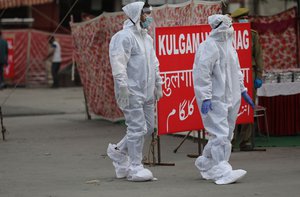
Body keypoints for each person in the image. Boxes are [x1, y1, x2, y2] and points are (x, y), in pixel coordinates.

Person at [193, 14, 255, 185]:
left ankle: (205, 161)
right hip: (215, 98)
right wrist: (205, 97)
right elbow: (201, 74)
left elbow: (237, 70)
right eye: (228, 24)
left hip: (232, 97)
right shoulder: (208, 46)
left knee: (226, 133)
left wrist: (242, 90)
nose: (231, 27)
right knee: (220, 134)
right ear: (220, 26)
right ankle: (222, 168)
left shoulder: (229, 46)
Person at [107, 1, 163, 182]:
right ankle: (135, 166)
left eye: (150, 13)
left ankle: (118, 152)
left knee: (148, 128)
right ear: (136, 15)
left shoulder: (147, 39)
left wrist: (158, 84)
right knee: (137, 128)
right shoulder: (123, 37)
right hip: (131, 91)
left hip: (146, 92)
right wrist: (122, 87)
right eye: (146, 14)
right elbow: (118, 64)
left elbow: (154, 63)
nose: (149, 17)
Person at [231, 8, 264, 151]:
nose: (245, 21)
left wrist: (259, 76)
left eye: (246, 18)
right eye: (241, 19)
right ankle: (229, 141)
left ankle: (245, 141)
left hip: (249, 73)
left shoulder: (252, 35)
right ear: (235, 21)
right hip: (232, 74)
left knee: (247, 107)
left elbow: (259, 56)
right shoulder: (228, 35)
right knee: (231, 107)